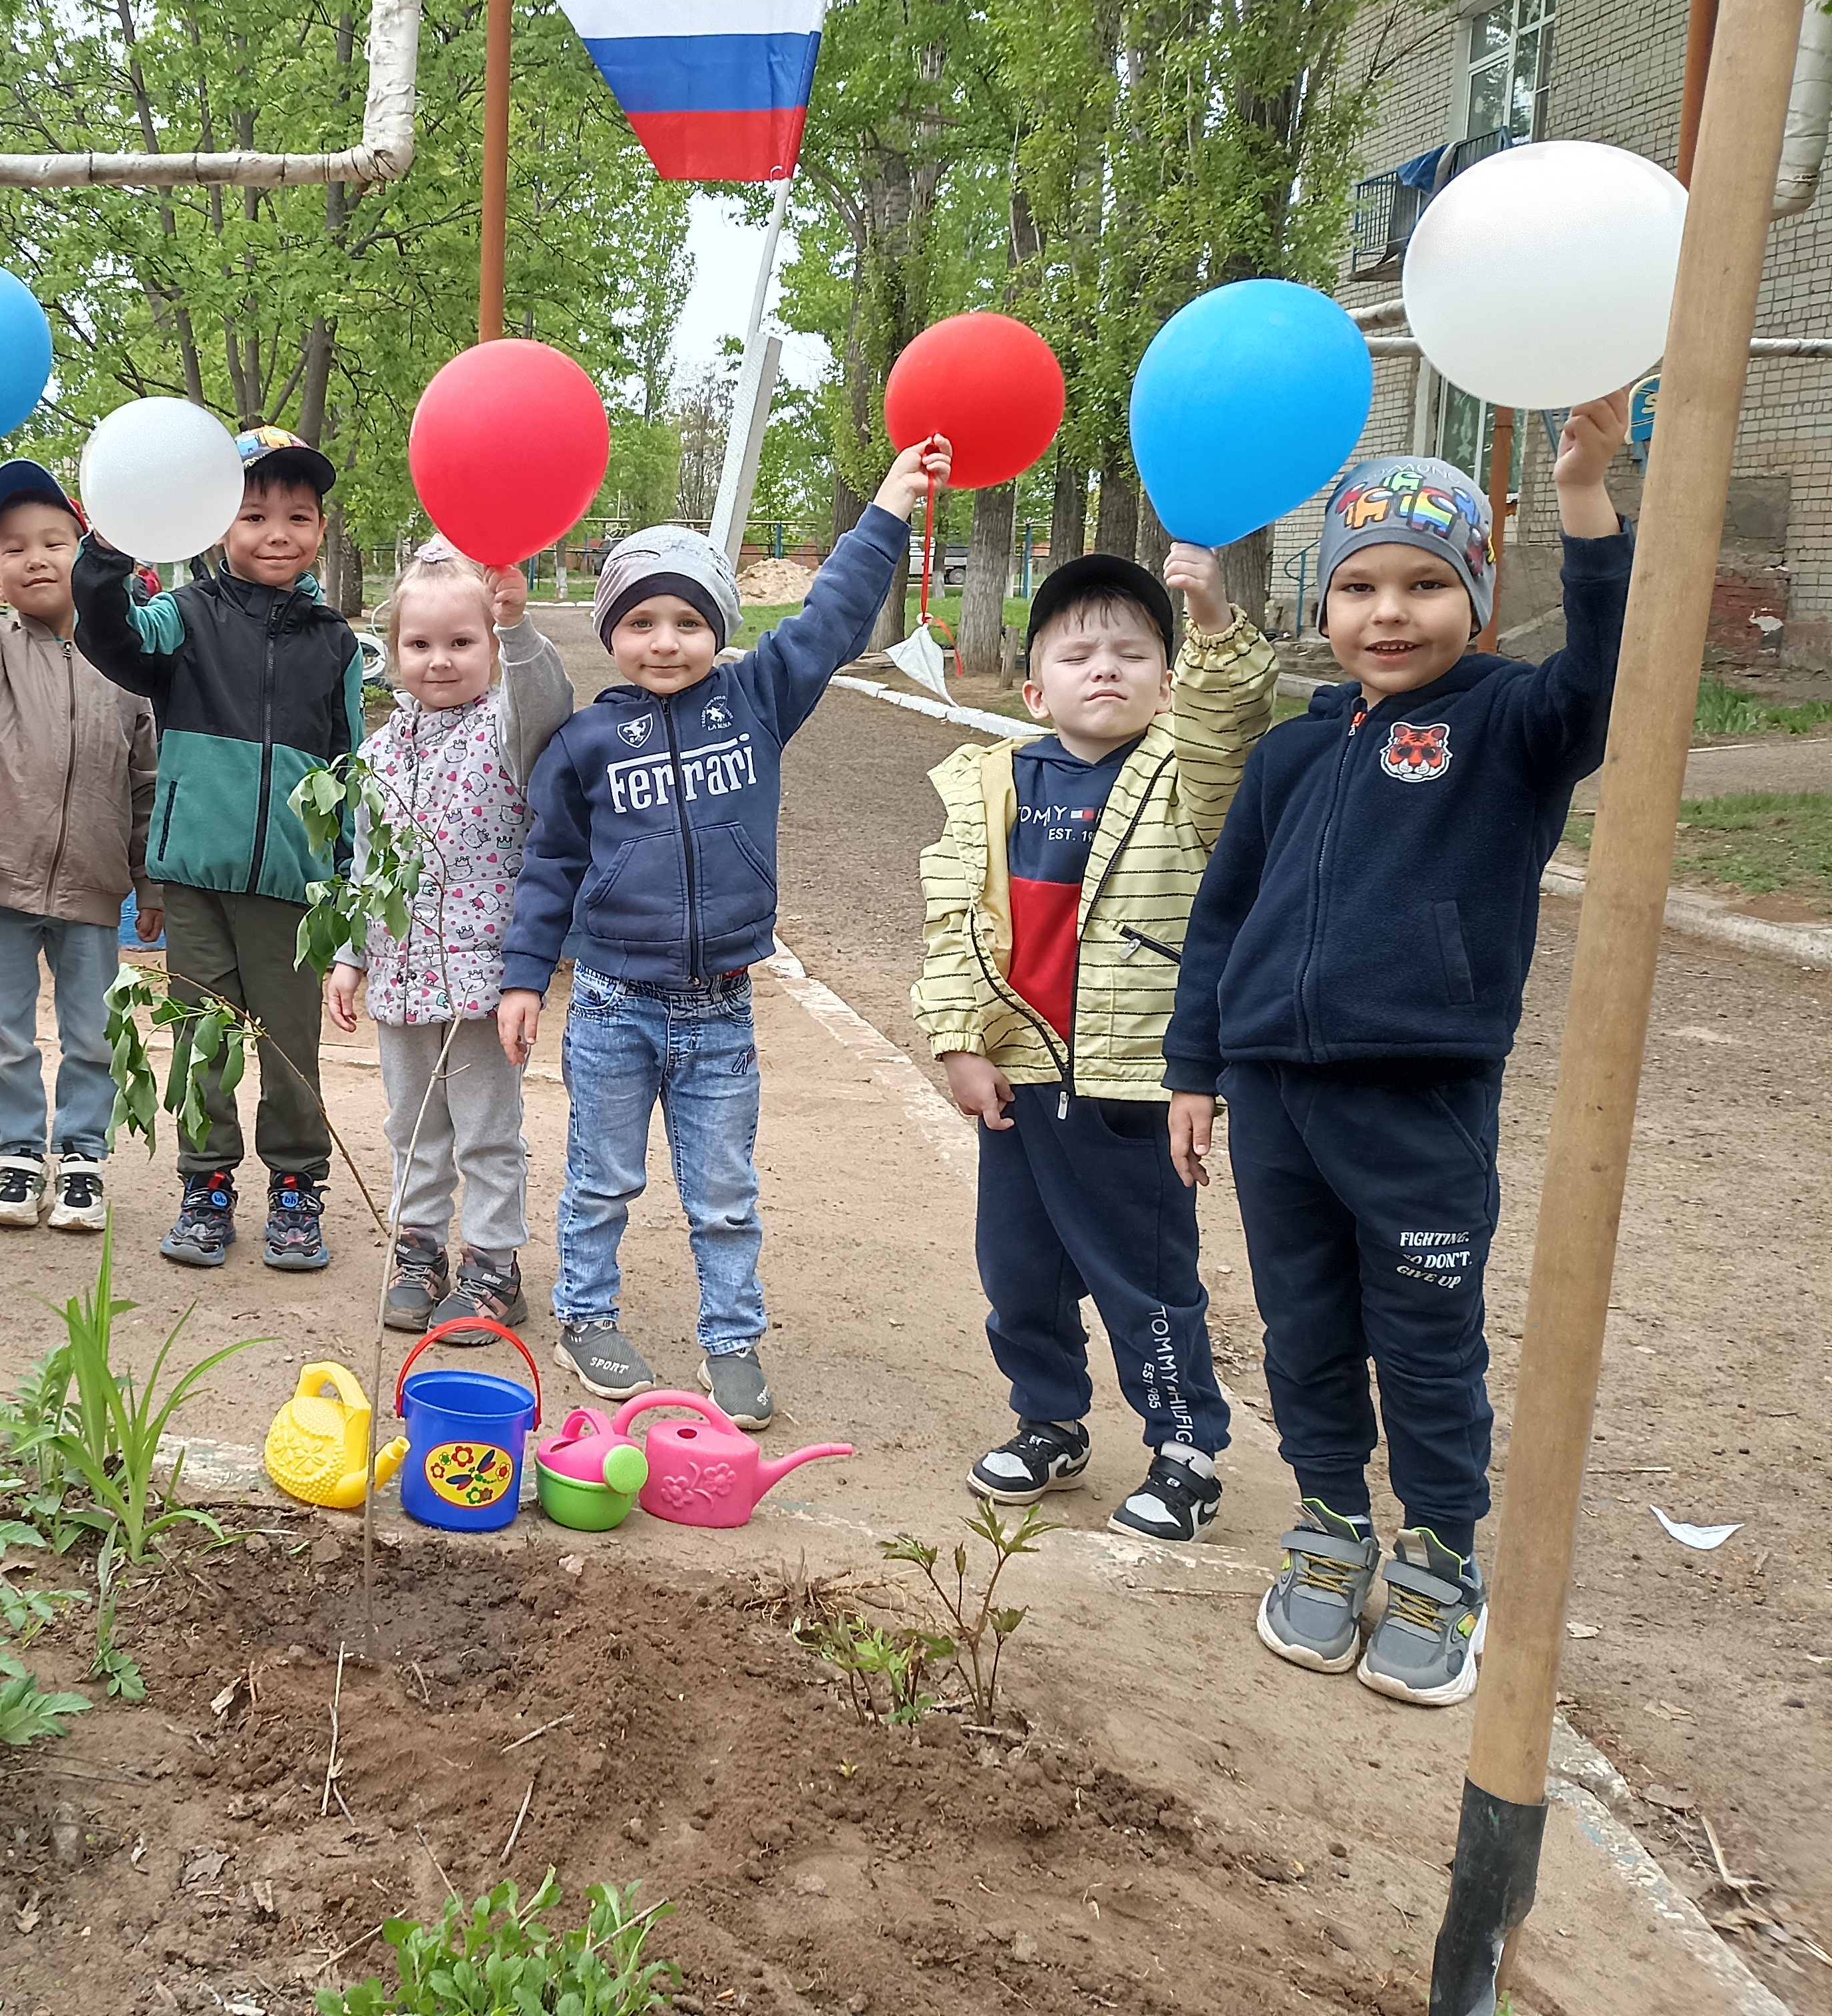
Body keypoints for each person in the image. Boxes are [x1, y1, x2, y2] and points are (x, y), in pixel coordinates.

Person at [1168, 399, 1632, 1707]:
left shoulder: (1507, 726)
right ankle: (1326, 1525)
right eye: (1359, 584)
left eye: (1426, 583)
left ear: (1473, 598)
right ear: (1323, 605)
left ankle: (1436, 1555)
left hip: (1416, 1102)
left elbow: (1601, 680)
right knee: (1303, 1329)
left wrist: (1584, 499)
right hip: (1269, 1098)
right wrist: (1194, 1068)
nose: (1388, 611)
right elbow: (1221, 917)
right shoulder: (1288, 751)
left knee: (1426, 1345)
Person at [498, 446, 933, 1429]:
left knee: (725, 1193)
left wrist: (889, 509)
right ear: (611, 632)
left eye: (689, 621)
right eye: (641, 622)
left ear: (721, 631)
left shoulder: (756, 701)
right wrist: (525, 979)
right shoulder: (585, 743)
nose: (665, 642)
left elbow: (831, 620)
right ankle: (587, 1318)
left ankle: (732, 1340)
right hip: (611, 1006)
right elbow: (551, 867)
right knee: (603, 1178)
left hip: (721, 1011)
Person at [914, 546, 1275, 1544]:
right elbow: (955, 925)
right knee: (1018, 1269)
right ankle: (1049, 1422)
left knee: (1144, 1280)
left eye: (1132, 653)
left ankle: (1186, 1448)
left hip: (1132, 1084)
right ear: (1035, 687)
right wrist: (958, 1044)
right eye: (1079, 655)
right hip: (1019, 1079)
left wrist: (1209, 622)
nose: (1105, 668)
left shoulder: (1187, 782)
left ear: (1168, 684)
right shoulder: (988, 785)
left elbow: (1228, 731)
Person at [71, 429, 364, 1273]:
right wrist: (106, 553)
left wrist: (339, 881)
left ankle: (298, 1190)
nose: (278, 532)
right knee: (205, 1037)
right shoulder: (184, 618)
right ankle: (205, 1188)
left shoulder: (335, 639)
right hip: (195, 879)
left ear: (318, 529)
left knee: (287, 1045)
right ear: (217, 524)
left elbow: (344, 763)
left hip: (293, 891)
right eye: (254, 512)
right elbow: (112, 637)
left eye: (298, 516)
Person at [0, 441, 162, 1234]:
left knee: (93, 1032)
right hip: (1, 880)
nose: (36, 559)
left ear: (84, 554)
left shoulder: (125, 664)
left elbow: (146, 780)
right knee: (4, 1030)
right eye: (13, 547)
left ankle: (81, 1158)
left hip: (93, 887)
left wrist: (149, 881)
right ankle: (19, 1156)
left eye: (55, 542)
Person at [328, 543, 573, 1339]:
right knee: (412, 1124)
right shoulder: (376, 753)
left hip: (484, 982)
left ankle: (494, 1267)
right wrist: (350, 954)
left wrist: (522, 628)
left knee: (485, 1130)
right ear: (391, 652)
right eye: (419, 644)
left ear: (490, 647)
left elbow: (546, 703)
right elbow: (366, 863)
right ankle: (420, 1249)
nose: (439, 661)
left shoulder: (505, 729)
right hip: (400, 979)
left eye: (463, 642)